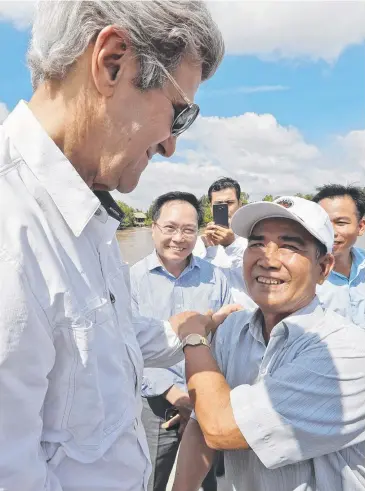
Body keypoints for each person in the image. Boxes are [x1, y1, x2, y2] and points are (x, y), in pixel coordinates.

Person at [0, 2, 225, 490]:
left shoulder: (84, 217)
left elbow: (104, 337)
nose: (171, 145)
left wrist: (188, 330)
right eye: (180, 114)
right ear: (113, 62)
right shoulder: (11, 230)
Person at [173, 196, 365, 491]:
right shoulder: (232, 330)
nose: (268, 259)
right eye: (257, 243)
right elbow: (202, 423)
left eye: (290, 246)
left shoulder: (346, 353)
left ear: (324, 267)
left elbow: (221, 428)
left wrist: (194, 337)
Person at [130, 191, 232, 491]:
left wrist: (202, 401)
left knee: (208, 480)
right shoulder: (129, 279)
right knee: (149, 479)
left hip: (207, 403)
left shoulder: (216, 277)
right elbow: (128, 348)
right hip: (153, 406)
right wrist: (178, 398)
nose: (179, 238)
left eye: (188, 230)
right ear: (153, 227)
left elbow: (223, 342)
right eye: (170, 228)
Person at [194, 177, 256, 309]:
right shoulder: (199, 243)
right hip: (214, 321)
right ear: (211, 207)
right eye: (219, 204)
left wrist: (231, 244)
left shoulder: (254, 239)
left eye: (229, 202)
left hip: (247, 316)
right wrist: (206, 249)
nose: (224, 208)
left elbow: (256, 276)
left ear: (240, 204)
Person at [313, 184, 365, 329]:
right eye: (323, 223)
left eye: (340, 223)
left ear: (361, 227)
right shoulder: (303, 275)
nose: (331, 232)